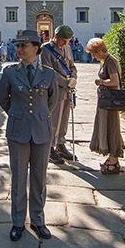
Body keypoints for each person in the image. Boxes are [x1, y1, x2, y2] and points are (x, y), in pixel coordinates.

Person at [0, 29, 58, 242]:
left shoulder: (49, 74)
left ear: (35, 48)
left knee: (39, 178)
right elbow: (3, 99)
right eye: (17, 46)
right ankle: (17, 221)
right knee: (18, 178)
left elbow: (52, 102)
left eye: (23, 46)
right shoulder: (10, 72)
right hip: (18, 131)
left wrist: (38, 117)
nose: (19, 50)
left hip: (42, 131)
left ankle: (38, 220)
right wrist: (18, 115)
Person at [86, 37, 125, 174]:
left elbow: (115, 81)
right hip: (106, 100)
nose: (93, 56)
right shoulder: (107, 61)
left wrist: (101, 82)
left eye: (94, 53)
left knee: (111, 127)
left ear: (99, 51)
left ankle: (114, 160)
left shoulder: (110, 62)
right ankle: (111, 158)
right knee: (108, 127)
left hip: (110, 101)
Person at [41, 25, 78, 163]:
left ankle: (61, 145)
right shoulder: (46, 49)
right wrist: (65, 82)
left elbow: (72, 66)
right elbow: (49, 72)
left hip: (67, 90)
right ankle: (49, 148)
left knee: (64, 118)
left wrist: (74, 77)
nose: (66, 43)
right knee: (54, 119)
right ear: (56, 37)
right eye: (63, 40)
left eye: (68, 40)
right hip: (54, 90)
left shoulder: (67, 48)